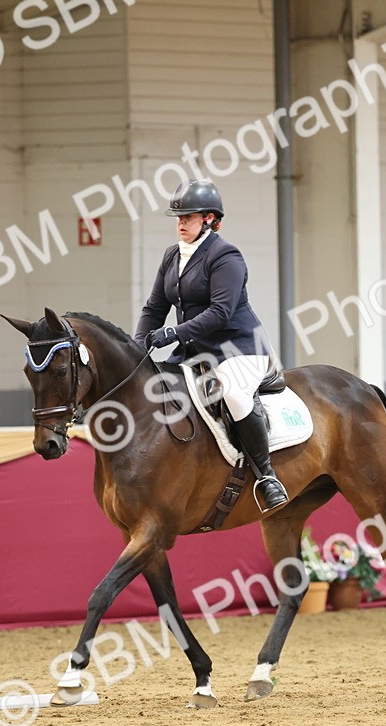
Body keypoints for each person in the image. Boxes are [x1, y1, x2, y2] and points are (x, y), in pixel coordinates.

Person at [134, 179, 289, 511]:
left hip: (238, 347)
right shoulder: (172, 256)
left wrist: (173, 333)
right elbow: (154, 308)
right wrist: (136, 348)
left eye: (188, 217)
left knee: (233, 394)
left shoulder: (225, 256)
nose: (181, 224)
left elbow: (220, 312)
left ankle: (267, 476)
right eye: (179, 218)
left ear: (209, 219)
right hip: (194, 351)